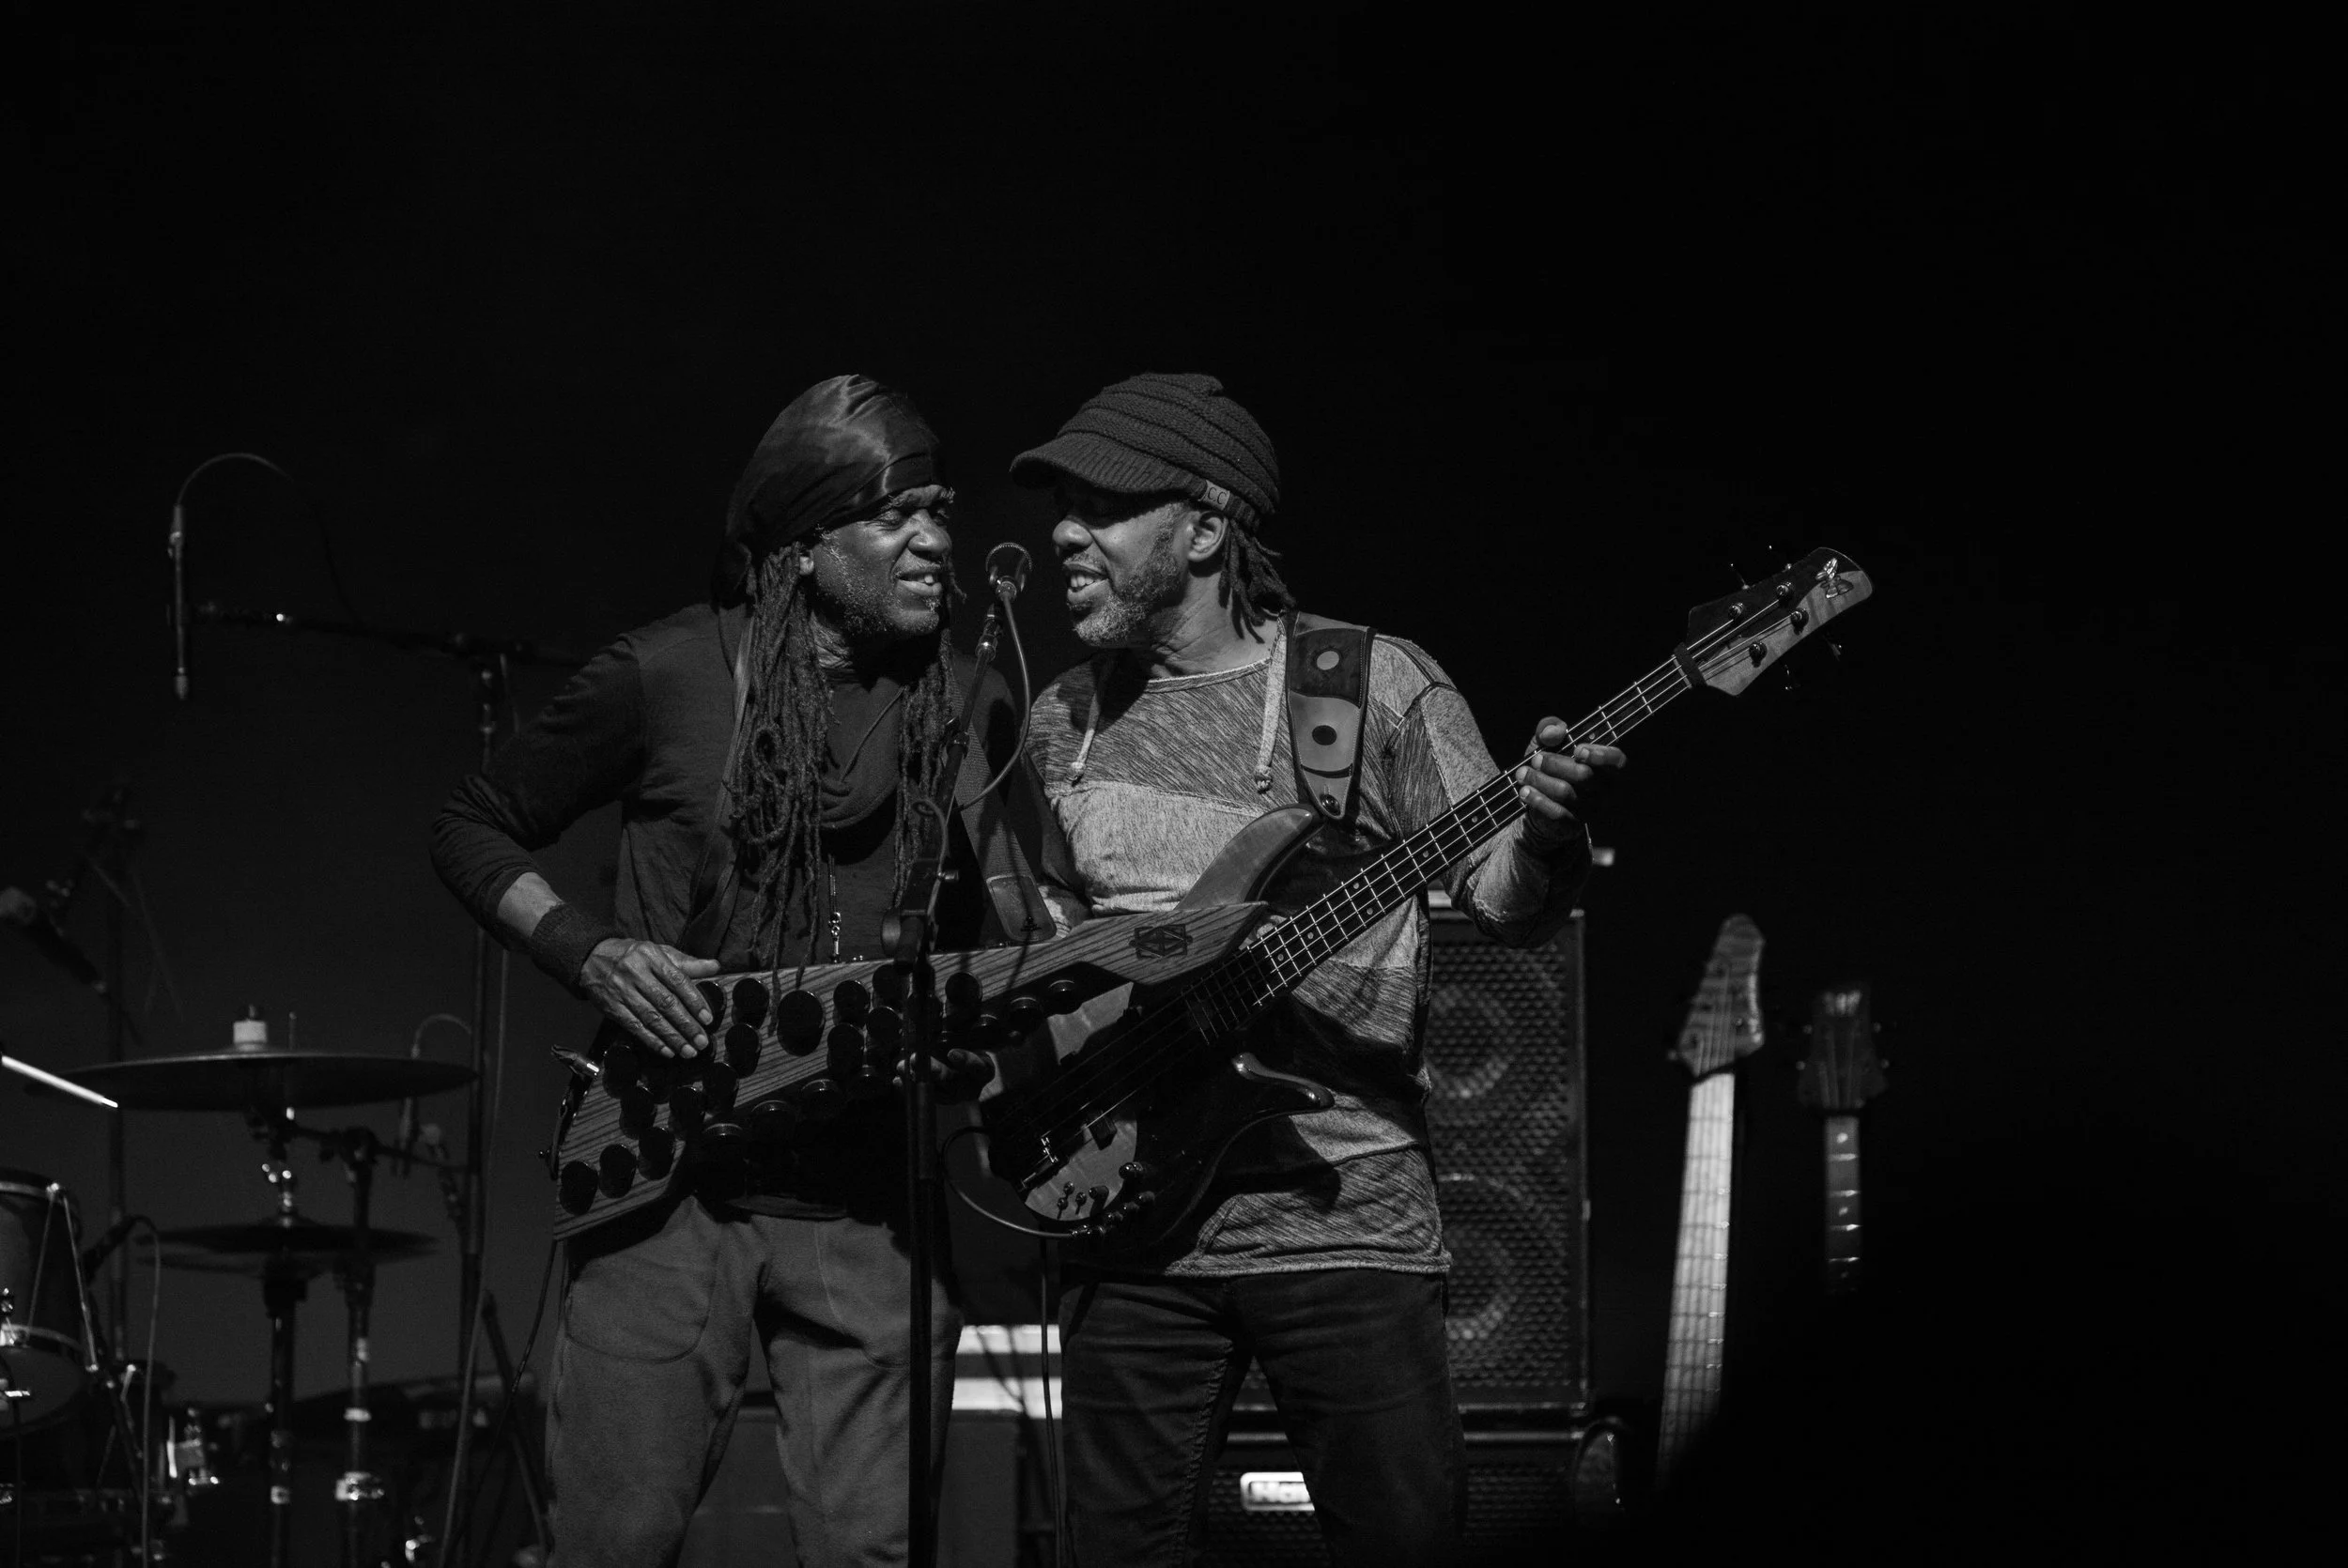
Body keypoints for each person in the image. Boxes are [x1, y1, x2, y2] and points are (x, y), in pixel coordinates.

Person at [430, 374, 1076, 1568]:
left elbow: (1010, 931)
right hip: (671, 1189)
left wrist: (993, 1025)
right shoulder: (669, 671)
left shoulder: (969, 696)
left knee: (877, 1553)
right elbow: (471, 826)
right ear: (803, 543)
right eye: (895, 514)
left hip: (870, 1200)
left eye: (940, 510)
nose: (936, 539)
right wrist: (590, 950)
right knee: (615, 1544)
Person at [992, 373, 1626, 1566]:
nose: (1065, 531)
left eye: (1103, 506)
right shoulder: (1059, 718)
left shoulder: (1365, 685)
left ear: (1205, 528)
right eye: (1062, 505)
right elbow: (1043, 945)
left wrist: (1544, 835)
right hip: (1130, 1223)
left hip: (1348, 1218)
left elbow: (1501, 901)